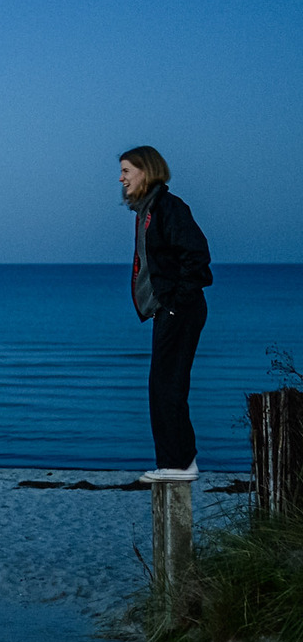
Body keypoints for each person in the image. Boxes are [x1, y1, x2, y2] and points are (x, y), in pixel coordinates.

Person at [119, 146, 211, 483]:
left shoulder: (169, 208)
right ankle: (175, 462)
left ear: (146, 171)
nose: (121, 178)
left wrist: (174, 301)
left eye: (127, 170)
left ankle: (180, 463)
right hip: (169, 308)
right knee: (162, 386)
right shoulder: (148, 210)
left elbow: (197, 258)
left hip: (180, 308)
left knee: (168, 385)